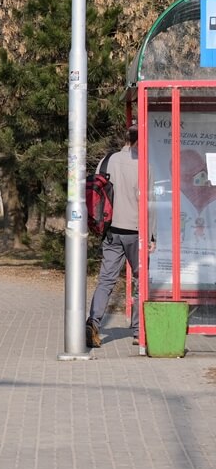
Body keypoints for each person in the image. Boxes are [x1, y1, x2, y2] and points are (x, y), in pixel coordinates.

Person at [87, 125, 155, 348]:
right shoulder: (145, 164)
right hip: (136, 231)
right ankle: (138, 331)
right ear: (139, 141)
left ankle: (93, 321)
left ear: (126, 139)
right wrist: (152, 235)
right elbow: (150, 203)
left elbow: (97, 192)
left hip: (111, 230)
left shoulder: (107, 161)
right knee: (139, 281)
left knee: (106, 279)